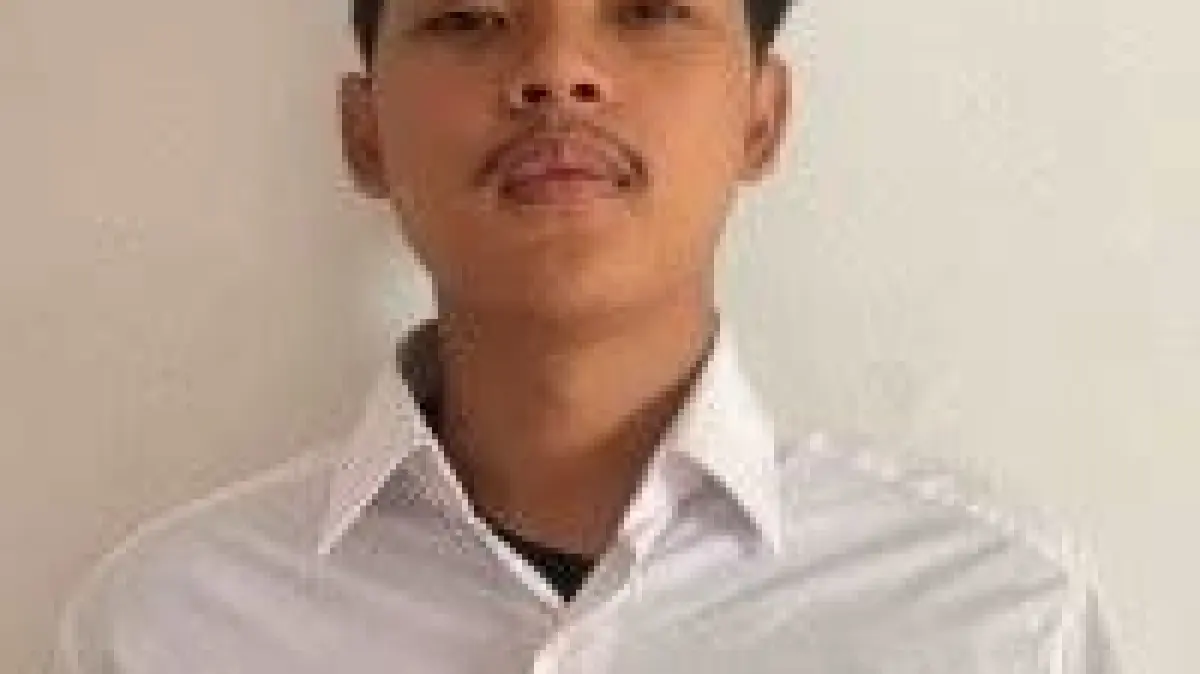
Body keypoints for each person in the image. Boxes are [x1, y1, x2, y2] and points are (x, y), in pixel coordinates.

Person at [52, 0, 1122, 672]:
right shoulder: (160, 629)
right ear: (364, 132)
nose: (559, 69)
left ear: (762, 116)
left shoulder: (999, 616)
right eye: (469, 17)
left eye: (648, 9)